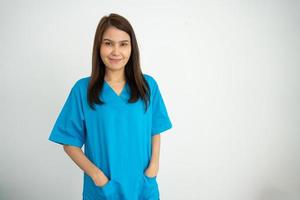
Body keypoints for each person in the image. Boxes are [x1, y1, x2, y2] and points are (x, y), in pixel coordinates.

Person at [48, 13, 172, 200]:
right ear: (98, 46)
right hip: (103, 190)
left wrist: (153, 167)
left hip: (143, 187)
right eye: (108, 43)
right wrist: (97, 177)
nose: (116, 51)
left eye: (123, 44)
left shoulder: (148, 86)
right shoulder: (83, 90)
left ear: (132, 48)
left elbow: (155, 129)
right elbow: (69, 142)